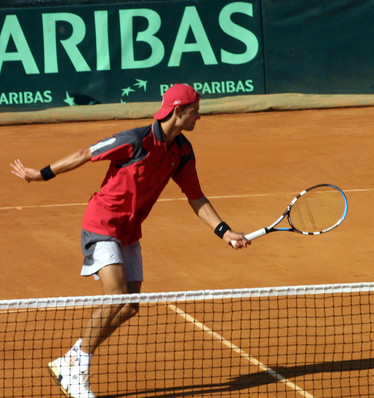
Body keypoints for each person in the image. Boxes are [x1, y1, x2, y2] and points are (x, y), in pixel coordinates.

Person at [10, 83, 250, 398]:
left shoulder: (182, 151)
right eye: (195, 111)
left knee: (129, 306)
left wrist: (224, 230)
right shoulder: (135, 140)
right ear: (178, 112)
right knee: (114, 297)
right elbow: (86, 154)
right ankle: (78, 366)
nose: (198, 117)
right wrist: (39, 174)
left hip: (130, 230)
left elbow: (196, 196)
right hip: (102, 222)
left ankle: (70, 358)